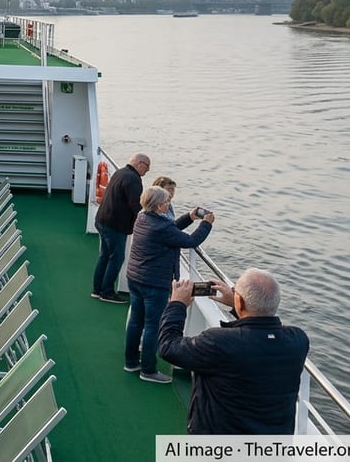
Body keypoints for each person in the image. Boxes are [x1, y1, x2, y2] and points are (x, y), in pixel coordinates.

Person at [159, 269, 310, 434]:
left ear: (240, 302)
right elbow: (261, 335)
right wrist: (238, 306)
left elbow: (168, 346)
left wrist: (177, 304)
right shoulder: (298, 340)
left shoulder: (218, 342)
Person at [124, 186, 214, 384]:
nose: (168, 204)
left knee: (136, 321)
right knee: (152, 326)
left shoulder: (142, 217)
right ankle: (148, 370)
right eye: (166, 202)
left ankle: (130, 361)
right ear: (158, 206)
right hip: (153, 283)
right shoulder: (161, 227)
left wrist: (190, 217)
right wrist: (206, 224)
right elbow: (190, 240)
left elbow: (172, 229)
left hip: (135, 278)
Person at [91, 152, 150, 304]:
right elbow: (136, 205)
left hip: (103, 219)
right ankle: (107, 291)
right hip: (115, 225)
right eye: (147, 167)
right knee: (116, 258)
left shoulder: (120, 173)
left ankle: (97, 289)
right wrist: (147, 221)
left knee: (104, 255)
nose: (147, 170)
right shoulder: (133, 179)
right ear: (139, 164)